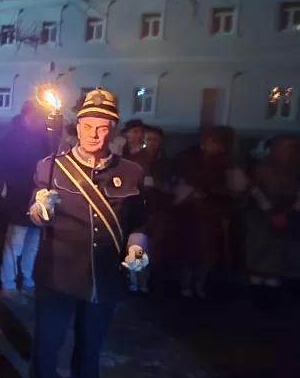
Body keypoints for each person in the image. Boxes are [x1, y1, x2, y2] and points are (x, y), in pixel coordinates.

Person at [25, 87, 148, 378]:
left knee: (91, 347)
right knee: (47, 343)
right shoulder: (50, 167)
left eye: (103, 126)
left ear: (114, 129)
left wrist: (137, 247)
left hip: (103, 276)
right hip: (57, 273)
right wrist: (39, 208)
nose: (94, 134)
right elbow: (33, 214)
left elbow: (138, 222)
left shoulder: (132, 172)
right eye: (87, 125)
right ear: (76, 126)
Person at [173, 126, 248, 298]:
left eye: (218, 142)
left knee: (208, 252)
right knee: (188, 249)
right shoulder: (188, 158)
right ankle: (185, 284)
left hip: (213, 213)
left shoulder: (227, 162)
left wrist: (218, 194)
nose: (213, 145)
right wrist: (189, 192)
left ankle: (200, 284)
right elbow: (178, 181)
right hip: (190, 212)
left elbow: (238, 188)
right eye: (210, 141)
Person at [0, 100, 50, 293]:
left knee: (33, 242)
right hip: (20, 199)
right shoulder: (12, 138)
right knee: (15, 242)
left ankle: (27, 277)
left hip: (40, 198)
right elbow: (8, 170)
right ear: (25, 115)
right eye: (34, 115)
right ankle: (9, 281)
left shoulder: (44, 138)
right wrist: (27, 193)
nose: (38, 119)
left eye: (40, 115)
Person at [125, 125, 176, 293]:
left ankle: (145, 281)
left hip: (159, 209)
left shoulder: (167, 163)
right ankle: (134, 281)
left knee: (154, 247)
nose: (151, 143)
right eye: (148, 139)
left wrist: (157, 184)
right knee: (137, 245)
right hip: (138, 209)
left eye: (155, 139)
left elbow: (172, 187)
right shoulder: (134, 160)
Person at [245, 135, 300, 289]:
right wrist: (262, 200)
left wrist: (296, 202)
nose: (288, 151)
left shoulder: (295, 167)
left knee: (279, 243)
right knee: (260, 241)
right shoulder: (262, 166)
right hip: (263, 210)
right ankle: (256, 273)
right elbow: (252, 185)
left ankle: (273, 274)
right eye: (284, 147)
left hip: (286, 208)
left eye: (291, 148)